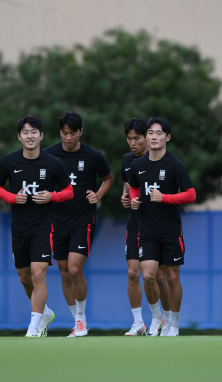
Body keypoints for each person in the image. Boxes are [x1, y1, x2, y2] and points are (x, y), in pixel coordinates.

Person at [0, 115, 73, 337]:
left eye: (34, 132)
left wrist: (52, 196)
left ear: (41, 135)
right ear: (19, 136)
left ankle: (34, 326)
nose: (30, 136)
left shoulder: (53, 163)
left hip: (43, 226)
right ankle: (44, 313)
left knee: (39, 275)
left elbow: (69, 191)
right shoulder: (9, 161)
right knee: (25, 277)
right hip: (19, 227)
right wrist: (11, 197)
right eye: (25, 132)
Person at [45, 112, 114, 337]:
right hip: (57, 221)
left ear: (80, 132)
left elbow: (108, 178)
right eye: (64, 133)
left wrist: (99, 194)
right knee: (65, 273)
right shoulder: (49, 155)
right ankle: (76, 320)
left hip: (83, 220)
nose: (68, 138)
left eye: (72, 133)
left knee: (75, 269)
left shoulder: (93, 156)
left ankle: (82, 318)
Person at [127, 117, 196, 336]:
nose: (154, 137)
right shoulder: (137, 165)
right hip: (146, 230)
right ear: (146, 137)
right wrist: (134, 199)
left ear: (167, 137)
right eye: (150, 133)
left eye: (159, 133)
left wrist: (164, 198)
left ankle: (173, 324)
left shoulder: (174, 164)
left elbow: (191, 194)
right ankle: (158, 317)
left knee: (172, 278)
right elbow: (134, 189)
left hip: (170, 230)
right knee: (148, 276)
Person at [120, 118, 170, 336]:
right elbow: (128, 187)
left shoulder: (162, 161)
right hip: (135, 223)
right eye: (129, 139)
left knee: (158, 277)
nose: (133, 143)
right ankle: (139, 321)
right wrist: (126, 198)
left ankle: (166, 319)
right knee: (133, 274)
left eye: (137, 138)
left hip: (157, 225)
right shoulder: (128, 160)